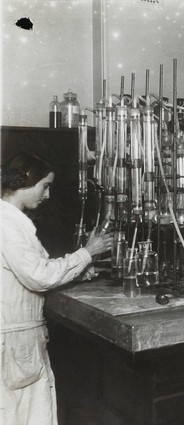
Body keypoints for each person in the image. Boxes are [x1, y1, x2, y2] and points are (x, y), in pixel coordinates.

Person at [0, 153, 112, 425]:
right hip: (15, 341)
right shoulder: (6, 225)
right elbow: (39, 276)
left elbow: (40, 265)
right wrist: (87, 252)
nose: (47, 194)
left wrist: (80, 270)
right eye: (44, 186)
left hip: (20, 340)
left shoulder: (15, 222)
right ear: (24, 181)